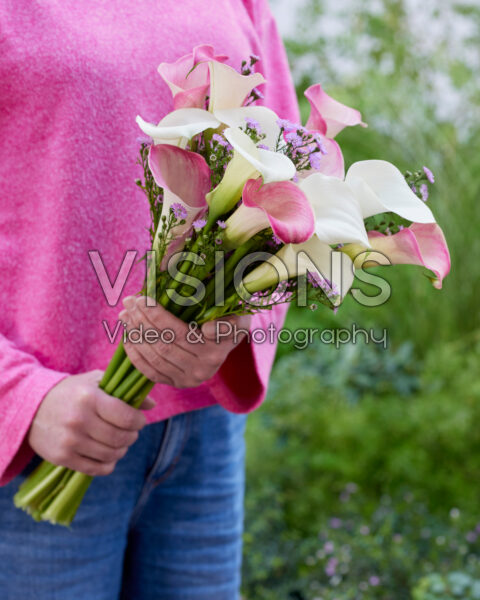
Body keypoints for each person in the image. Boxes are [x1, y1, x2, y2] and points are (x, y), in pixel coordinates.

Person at [0, 1, 299, 598]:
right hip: (35, 449)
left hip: (203, 436)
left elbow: (290, 179)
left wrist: (238, 320)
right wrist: (19, 397)